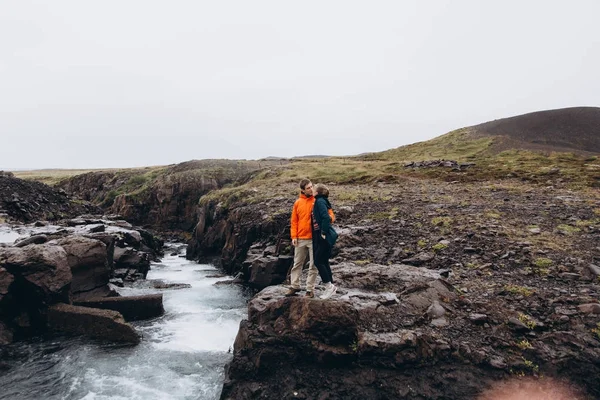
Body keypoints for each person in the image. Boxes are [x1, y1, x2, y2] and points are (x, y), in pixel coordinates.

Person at [287, 178, 319, 298]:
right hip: (300, 238)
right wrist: (294, 236)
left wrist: (328, 221)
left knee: (313, 264)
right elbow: (294, 221)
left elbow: (330, 214)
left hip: (314, 238)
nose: (311, 189)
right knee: (297, 263)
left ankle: (310, 290)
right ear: (302, 190)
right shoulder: (297, 203)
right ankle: (294, 286)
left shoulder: (318, 200)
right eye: (308, 188)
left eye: (312, 186)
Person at [311, 183, 339, 299]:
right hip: (321, 236)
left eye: (314, 188)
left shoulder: (320, 201)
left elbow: (326, 217)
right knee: (324, 260)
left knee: (318, 261)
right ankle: (331, 286)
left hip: (323, 236)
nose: (312, 190)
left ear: (317, 192)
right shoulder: (322, 201)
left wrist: (323, 232)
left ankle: (329, 287)